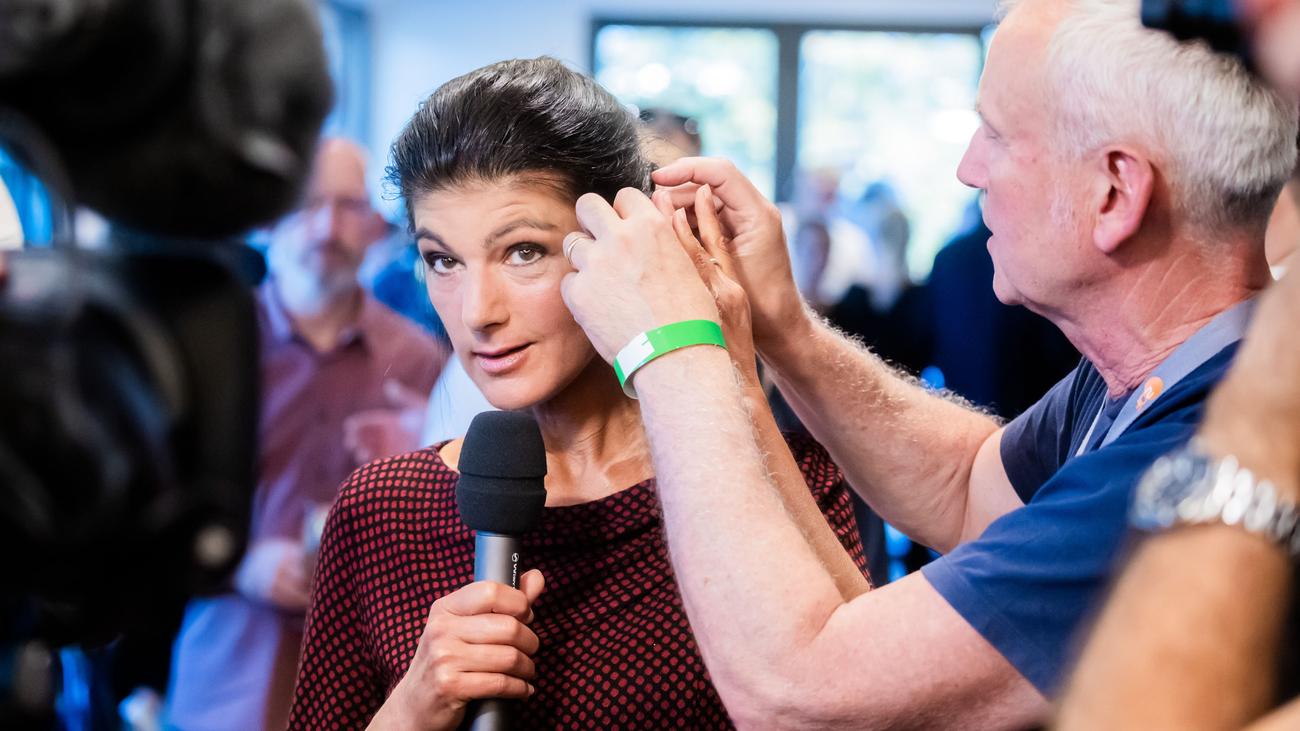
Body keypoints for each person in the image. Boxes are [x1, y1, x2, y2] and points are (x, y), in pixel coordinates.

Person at [556, 0, 1298, 726]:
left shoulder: (1188, 452)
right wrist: (781, 329)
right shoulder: (1159, 378)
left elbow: (801, 691)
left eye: (996, 136)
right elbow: (968, 488)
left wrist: (668, 347)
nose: (968, 171)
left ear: (1115, 191)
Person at [287, 58, 868, 730]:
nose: (477, 311)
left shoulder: (779, 488)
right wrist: (416, 705)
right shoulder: (381, 512)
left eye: (523, 251)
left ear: (618, 246)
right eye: (443, 259)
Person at [165, 138, 448, 731]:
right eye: (307, 204)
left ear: (374, 224)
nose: (327, 227)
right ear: (268, 221)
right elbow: (145, 507)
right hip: (229, 674)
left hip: (377, 681)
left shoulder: (421, 359)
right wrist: (238, 561)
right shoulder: (205, 352)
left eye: (348, 206)